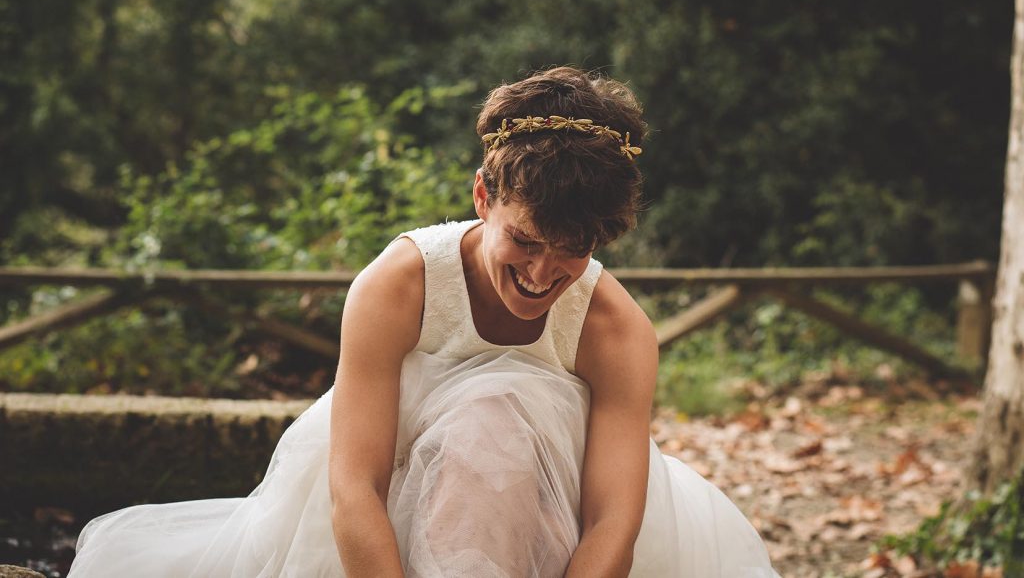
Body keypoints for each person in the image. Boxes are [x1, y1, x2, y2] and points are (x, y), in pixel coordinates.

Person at [69, 67, 779, 577]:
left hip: (553, 527)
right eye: (525, 240)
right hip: (389, 513)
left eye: (574, 250)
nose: (541, 274)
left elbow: (613, 522)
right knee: (478, 425)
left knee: (499, 418)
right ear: (482, 195)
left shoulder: (617, 329)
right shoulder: (398, 283)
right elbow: (355, 483)